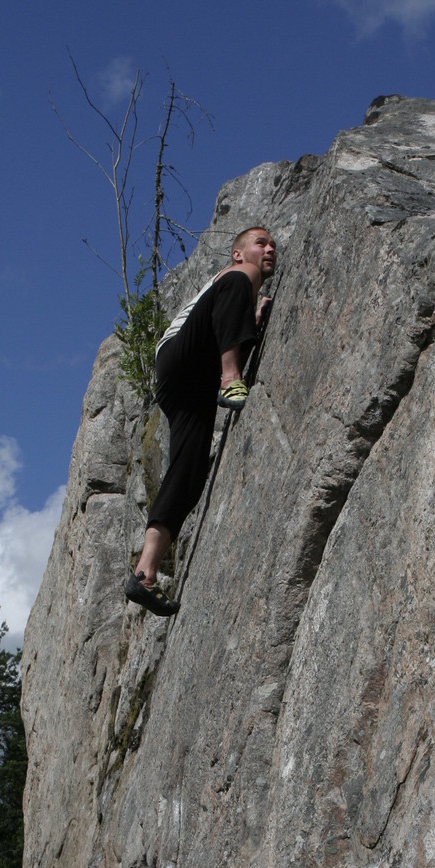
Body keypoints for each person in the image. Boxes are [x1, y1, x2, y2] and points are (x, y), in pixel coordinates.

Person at [124, 227, 277, 616]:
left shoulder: (238, 295)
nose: (269, 248)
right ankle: (231, 379)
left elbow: (223, 326)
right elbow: (220, 309)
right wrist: (232, 368)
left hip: (181, 385)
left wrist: (252, 322)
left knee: (188, 475)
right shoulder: (236, 276)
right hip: (182, 358)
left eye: (273, 244)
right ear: (237, 253)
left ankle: (144, 572)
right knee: (241, 281)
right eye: (260, 242)